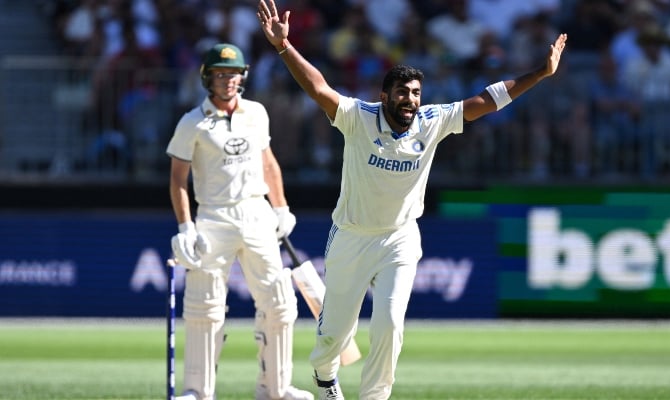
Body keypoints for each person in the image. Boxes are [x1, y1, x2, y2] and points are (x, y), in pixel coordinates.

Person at [257, 1, 568, 399]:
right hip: (351, 236)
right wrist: (284, 48)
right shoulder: (358, 117)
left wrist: (540, 73)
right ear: (385, 95)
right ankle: (323, 374)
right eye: (402, 92)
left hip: (399, 239)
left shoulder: (431, 121)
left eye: (416, 93)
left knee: (389, 323)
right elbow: (319, 88)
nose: (410, 99)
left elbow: (487, 100)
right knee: (334, 336)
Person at [166, 42, 314, 400]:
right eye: (221, 74)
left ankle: (276, 390)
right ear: (207, 78)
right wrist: (185, 226)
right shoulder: (192, 123)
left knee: (279, 302)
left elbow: (269, 164)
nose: (228, 80)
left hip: (256, 213)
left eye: (234, 74)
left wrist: (280, 208)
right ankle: (198, 392)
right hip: (214, 216)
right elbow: (177, 180)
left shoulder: (256, 113)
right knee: (204, 306)